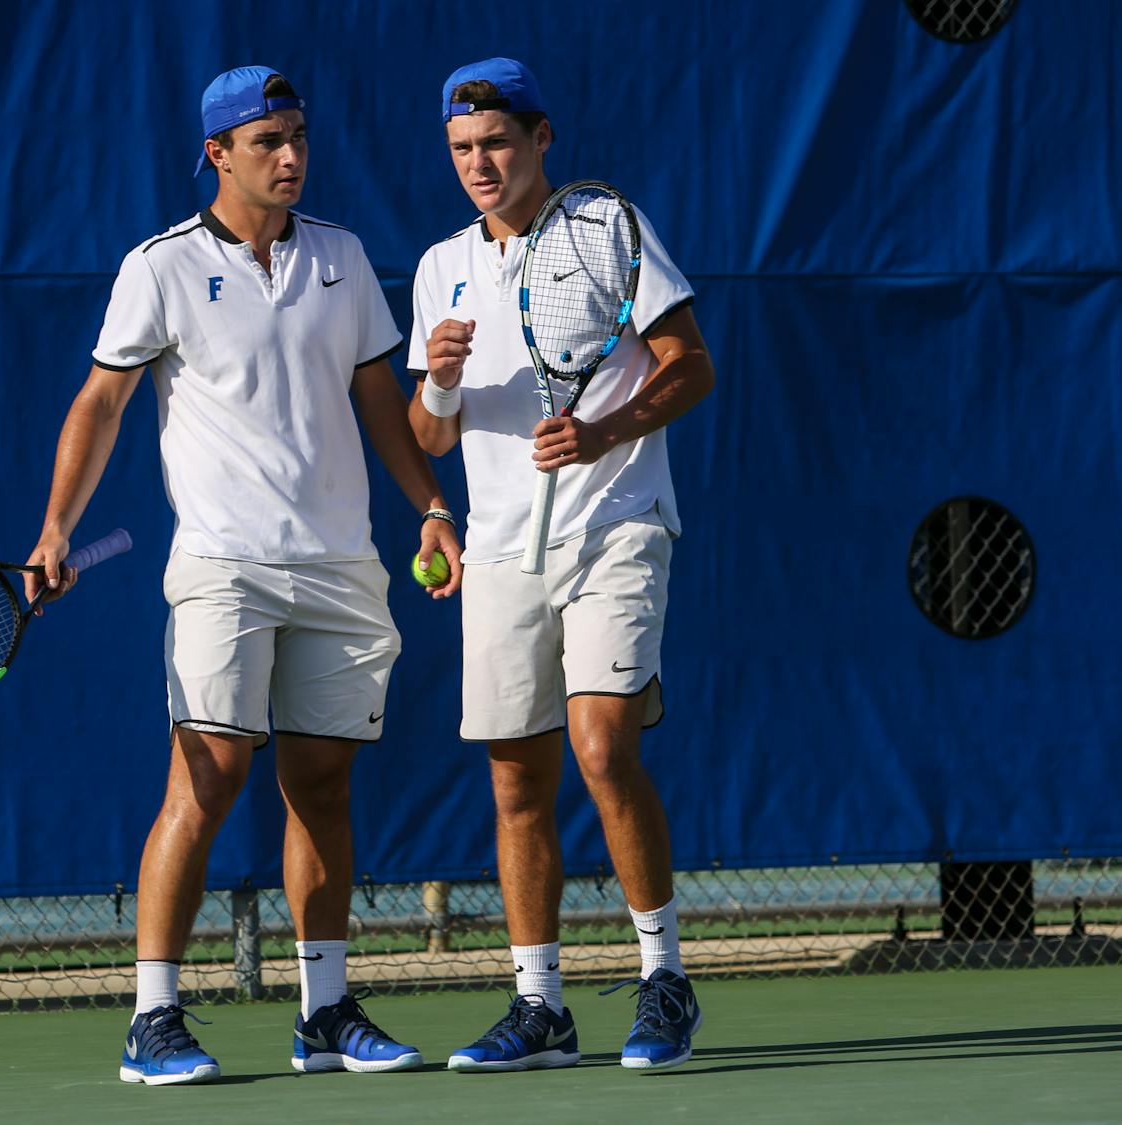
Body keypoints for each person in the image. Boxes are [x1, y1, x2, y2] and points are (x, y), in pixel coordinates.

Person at [25, 65, 462, 1086]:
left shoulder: (345, 259)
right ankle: (153, 1018)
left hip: (341, 566)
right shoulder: (162, 268)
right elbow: (101, 405)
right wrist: (55, 527)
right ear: (218, 154)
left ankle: (324, 1011)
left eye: (299, 135)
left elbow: (380, 400)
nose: (292, 155)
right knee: (208, 775)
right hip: (224, 565)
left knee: (323, 786)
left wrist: (433, 506)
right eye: (268, 140)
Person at [407, 58, 716, 1072]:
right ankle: (539, 1005)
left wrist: (604, 431)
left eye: (495, 143)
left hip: (617, 523)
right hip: (500, 550)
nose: (479, 164)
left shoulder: (607, 232)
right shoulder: (439, 266)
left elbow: (691, 364)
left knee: (600, 746)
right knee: (514, 783)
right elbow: (429, 434)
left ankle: (664, 978)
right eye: (461, 149)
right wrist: (442, 383)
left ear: (542, 138)